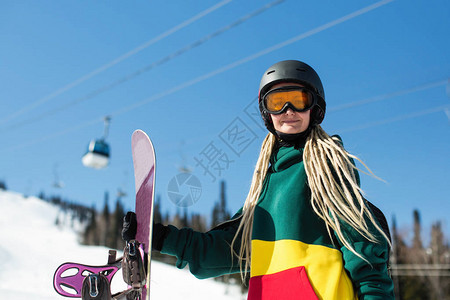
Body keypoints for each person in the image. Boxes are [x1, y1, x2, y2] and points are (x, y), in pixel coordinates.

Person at [122, 60, 395, 299]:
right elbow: (223, 250)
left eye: (299, 100)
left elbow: (364, 256)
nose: (288, 110)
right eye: (277, 102)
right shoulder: (262, 189)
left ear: (315, 108)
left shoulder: (327, 169)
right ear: (268, 113)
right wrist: (161, 238)